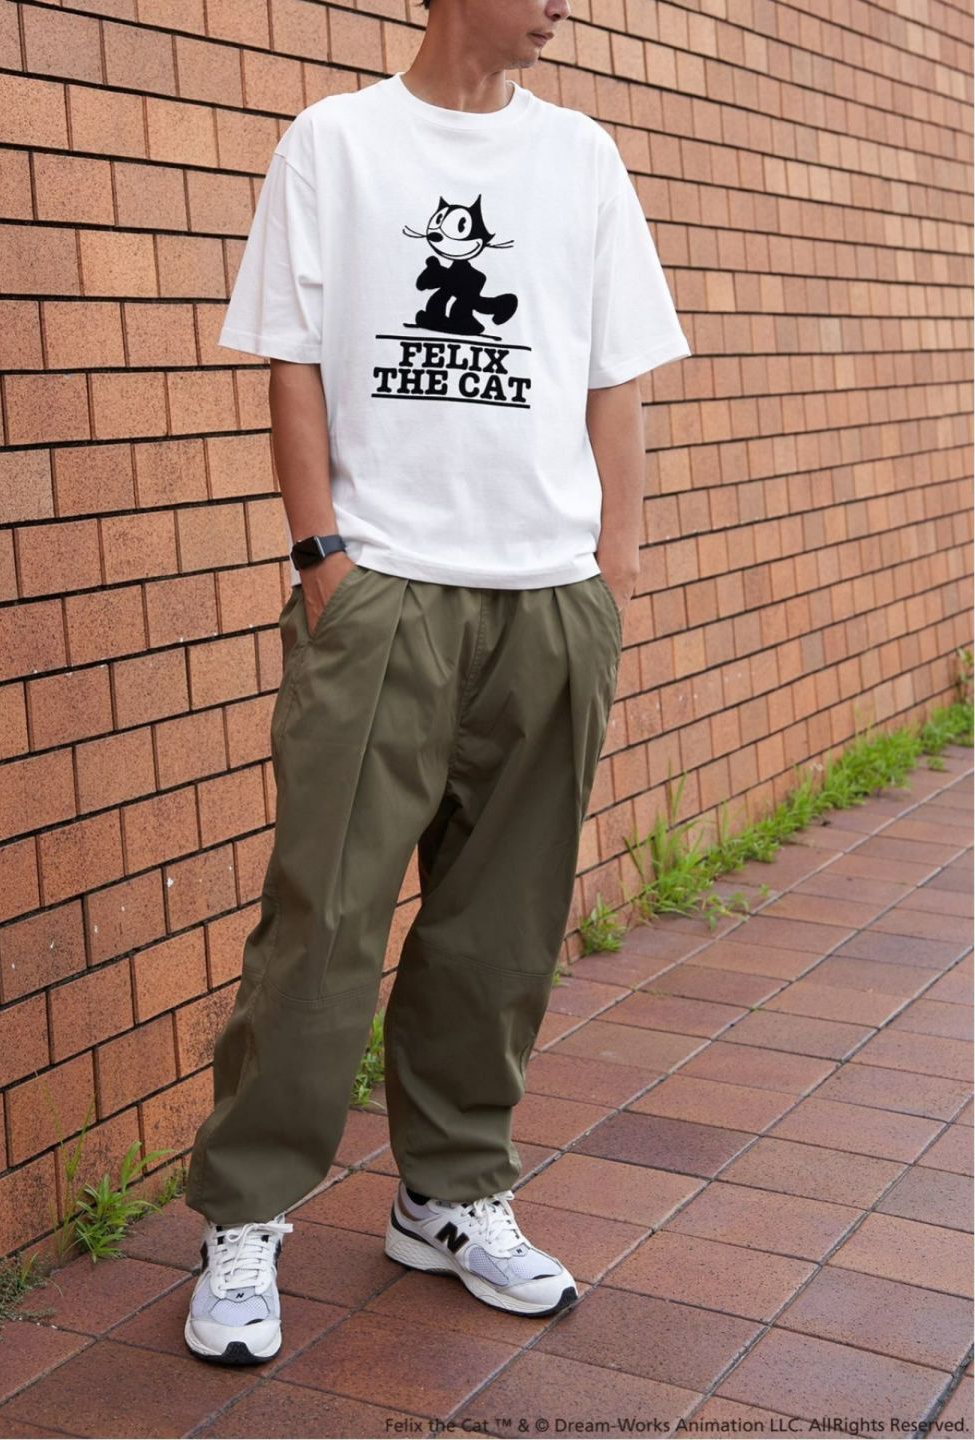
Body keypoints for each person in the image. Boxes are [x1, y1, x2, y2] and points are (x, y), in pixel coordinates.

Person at [182, 0, 692, 1366]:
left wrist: (609, 579)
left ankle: (449, 1193)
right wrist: (322, 558)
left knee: (501, 926)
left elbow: (618, 380)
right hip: (384, 591)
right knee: (325, 919)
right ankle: (247, 1214)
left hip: (548, 600)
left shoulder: (581, 158)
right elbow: (294, 364)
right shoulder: (336, 144)